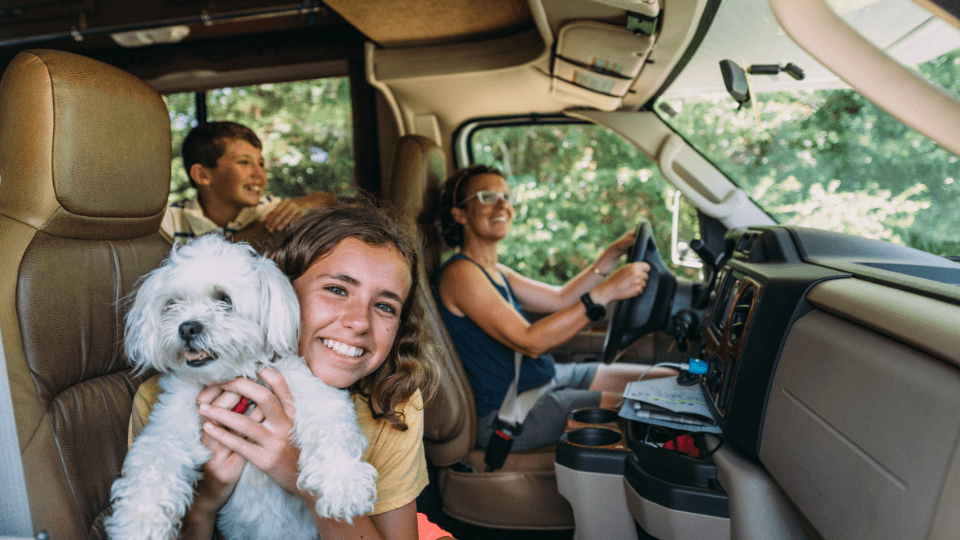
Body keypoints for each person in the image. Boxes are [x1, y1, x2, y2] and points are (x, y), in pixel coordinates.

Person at [130, 201, 444, 540]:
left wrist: (303, 482)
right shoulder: (163, 396)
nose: (358, 322)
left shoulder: (393, 398)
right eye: (337, 290)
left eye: (385, 306)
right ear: (284, 289)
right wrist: (205, 501)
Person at [436, 164, 676, 452]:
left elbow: (561, 298)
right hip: (511, 411)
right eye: (487, 196)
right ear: (460, 214)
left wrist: (610, 256)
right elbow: (531, 341)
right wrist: (606, 292)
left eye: (507, 196)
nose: (502, 204)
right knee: (654, 404)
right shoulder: (460, 274)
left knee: (670, 379)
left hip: (544, 379)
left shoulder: (494, 270)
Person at [160, 121, 335, 247]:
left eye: (261, 164)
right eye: (244, 162)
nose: (260, 174)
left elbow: (329, 203)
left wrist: (312, 201)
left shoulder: (269, 210)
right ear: (202, 175)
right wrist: (259, 234)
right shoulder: (170, 220)